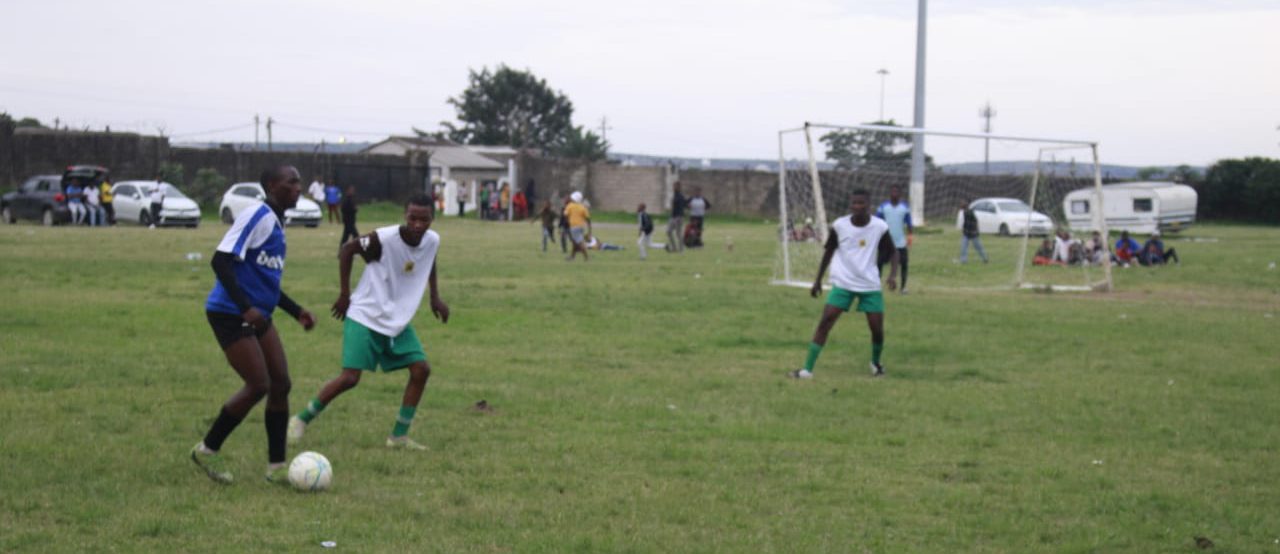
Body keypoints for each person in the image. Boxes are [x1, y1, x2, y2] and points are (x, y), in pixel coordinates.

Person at [289, 194, 448, 451]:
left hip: (396, 319)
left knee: (421, 370)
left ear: (433, 218)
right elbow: (347, 250)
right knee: (350, 378)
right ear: (404, 216)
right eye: (413, 218)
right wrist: (344, 294)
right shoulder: (383, 238)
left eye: (424, 219)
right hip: (365, 314)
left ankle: (398, 437)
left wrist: (435, 297)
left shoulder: (432, 240)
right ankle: (299, 419)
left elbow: (428, 260)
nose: (418, 224)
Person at [191, 165, 316, 485]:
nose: (298, 187)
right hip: (229, 313)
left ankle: (276, 468)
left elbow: (264, 280)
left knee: (281, 384)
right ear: (273, 186)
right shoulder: (256, 214)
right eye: (292, 182)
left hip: (258, 313)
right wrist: (245, 309)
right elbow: (220, 260)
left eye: (299, 182)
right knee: (258, 384)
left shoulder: (276, 221)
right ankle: (207, 449)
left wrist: (295, 310)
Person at [789, 189, 898, 380]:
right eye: (854, 203)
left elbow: (894, 252)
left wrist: (892, 275)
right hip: (843, 282)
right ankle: (807, 370)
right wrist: (817, 281)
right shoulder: (840, 225)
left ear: (869, 205)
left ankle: (875, 363)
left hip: (869, 284)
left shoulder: (879, 226)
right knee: (825, 322)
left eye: (861, 203)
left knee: (876, 328)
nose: (857, 207)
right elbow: (829, 252)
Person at [875, 186, 914, 292]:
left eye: (897, 191)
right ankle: (876, 286)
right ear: (890, 193)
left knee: (904, 264)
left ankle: (903, 287)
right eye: (892, 191)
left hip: (900, 242)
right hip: (886, 242)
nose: (894, 193)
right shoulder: (883, 207)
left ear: (900, 194)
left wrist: (910, 236)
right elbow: (876, 221)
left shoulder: (904, 207)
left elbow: (909, 223)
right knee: (879, 263)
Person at [565, 191, 592, 261]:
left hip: (574, 227)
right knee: (575, 242)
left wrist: (568, 221)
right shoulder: (582, 207)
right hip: (581, 227)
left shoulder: (570, 206)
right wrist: (589, 230)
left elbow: (565, 215)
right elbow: (588, 219)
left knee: (579, 242)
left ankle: (587, 257)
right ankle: (572, 257)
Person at [666, 181, 687, 253]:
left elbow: (682, 207)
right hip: (672, 217)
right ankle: (674, 248)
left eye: (675, 186)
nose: (674, 187)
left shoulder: (680, 196)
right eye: (673, 186)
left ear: (679, 187)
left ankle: (681, 249)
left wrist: (679, 217)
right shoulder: (674, 195)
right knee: (668, 231)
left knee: (678, 233)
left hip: (678, 217)